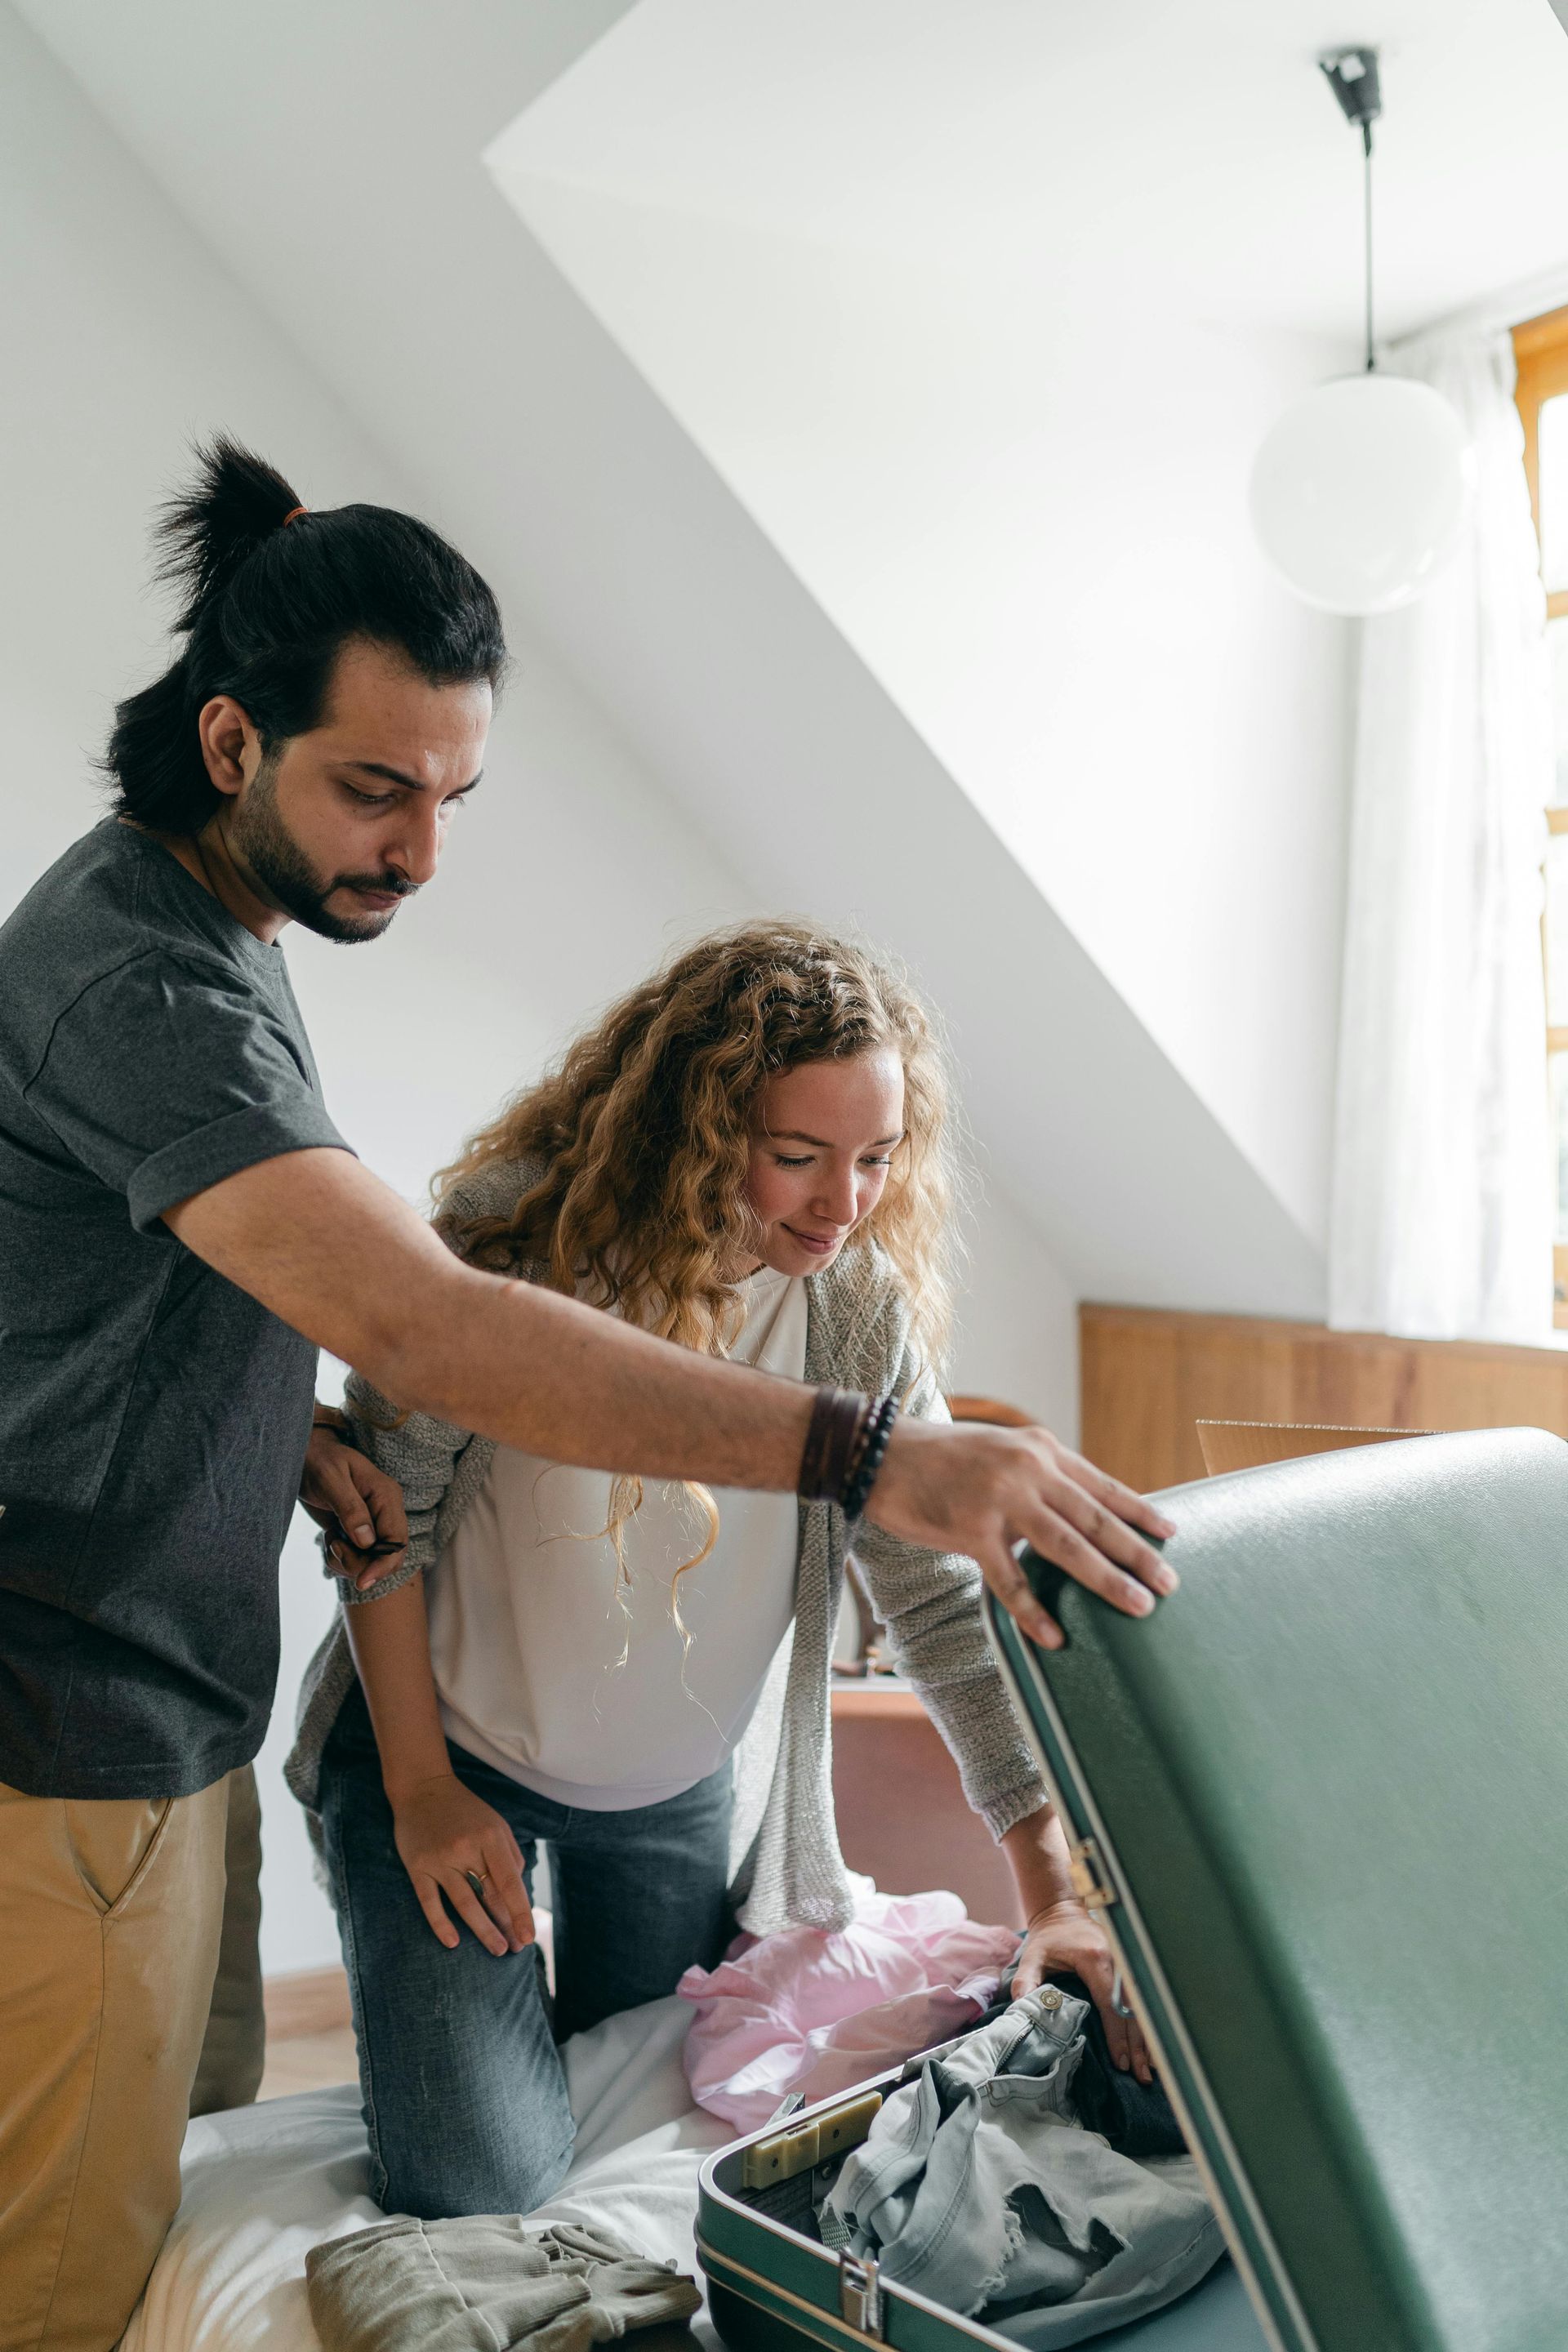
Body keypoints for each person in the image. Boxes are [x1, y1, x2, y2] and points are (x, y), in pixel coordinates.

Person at [0, 441, 1172, 2352]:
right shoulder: (148, 986)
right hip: (76, 1711)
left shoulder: (214, 931)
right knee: (65, 2257)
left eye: (452, 797)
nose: (423, 853)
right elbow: (430, 1327)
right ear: (230, 742)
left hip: (190, 1698)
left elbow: (145, 1283)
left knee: (149, 2182)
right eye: (378, 791)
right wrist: (872, 1461)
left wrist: (268, 1427)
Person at [286, 924, 1156, 2221]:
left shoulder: (855, 1309)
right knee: (477, 2179)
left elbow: (935, 1605)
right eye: (796, 1156)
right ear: (691, 1127)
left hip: (672, 1792)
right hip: (443, 1756)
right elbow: (381, 1519)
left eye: (876, 1157)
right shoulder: (514, 1236)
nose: (843, 1202)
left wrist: (1052, 1893)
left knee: (656, 2124)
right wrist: (417, 1790)